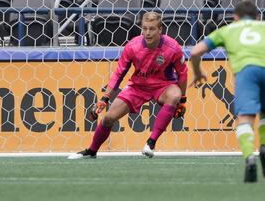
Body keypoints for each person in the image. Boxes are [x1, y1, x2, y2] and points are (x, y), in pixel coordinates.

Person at [190, 0, 265, 183]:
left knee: (245, 118)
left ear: (235, 17)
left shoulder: (227, 30)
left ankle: (249, 157)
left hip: (247, 71)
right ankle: (264, 148)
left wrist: (198, 71)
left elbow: (195, 52)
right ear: (257, 17)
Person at [68, 12, 188, 159]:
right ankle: (92, 151)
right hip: (137, 87)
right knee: (108, 118)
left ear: (160, 29)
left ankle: (151, 143)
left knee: (174, 95)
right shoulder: (133, 46)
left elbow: (183, 74)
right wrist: (104, 98)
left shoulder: (173, 47)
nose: (147, 33)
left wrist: (182, 100)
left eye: (152, 29)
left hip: (163, 86)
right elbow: (119, 73)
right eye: (144, 28)